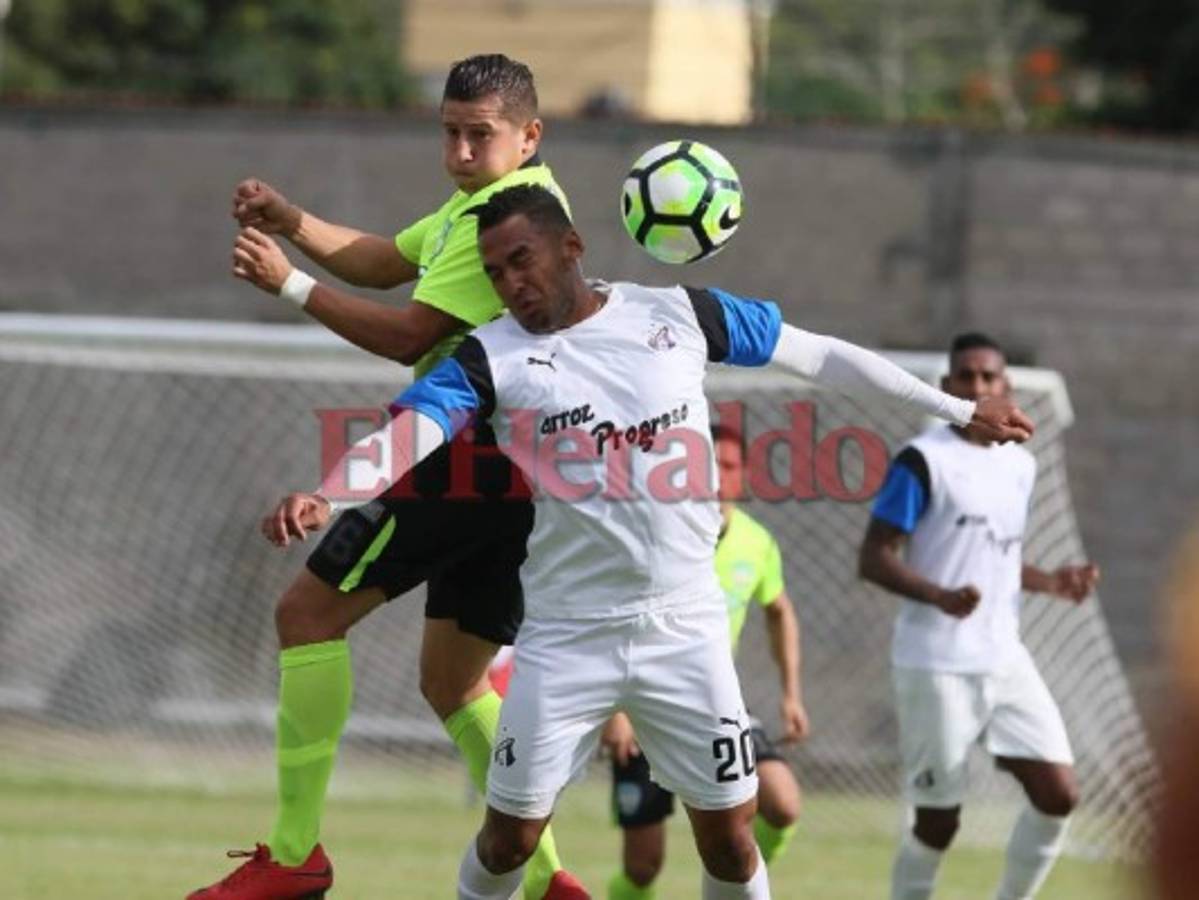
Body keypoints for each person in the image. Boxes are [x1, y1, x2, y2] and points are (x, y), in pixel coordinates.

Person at [260, 185, 1035, 898]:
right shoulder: (489, 355)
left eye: (521, 260)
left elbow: (820, 354)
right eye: (495, 273)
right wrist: (330, 493)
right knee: (507, 844)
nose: (510, 284)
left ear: (571, 248)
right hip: (567, 637)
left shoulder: (678, 314)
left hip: (684, 631)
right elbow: (410, 432)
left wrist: (957, 412)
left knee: (731, 845)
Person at [189, 55, 583, 900]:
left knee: (306, 613)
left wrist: (290, 283)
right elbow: (383, 259)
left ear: (529, 136)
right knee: (453, 682)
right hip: (506, 469)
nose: (462, 151)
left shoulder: (516, 220)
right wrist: (293, 219)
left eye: (481, 135)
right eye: (450, 132)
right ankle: (551, 886)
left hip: (465, 460)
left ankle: (295, 857)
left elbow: (409, 336)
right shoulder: (483, 205)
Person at [857, 332, 1100, 900]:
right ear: (946, 389)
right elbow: (873, 558)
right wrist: (938, 595)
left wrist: (1051, 582)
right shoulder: (924, 461)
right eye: (966, 377)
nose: (978, 386)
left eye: (989, 377)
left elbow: (998, 557)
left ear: (1007, 387)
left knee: (1058, 794)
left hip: (1003, 656)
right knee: (939, 824)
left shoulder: (1020, 464)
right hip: (935, 665)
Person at [601, 424, 808, 899]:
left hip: (718, 705)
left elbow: (779, 610)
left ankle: (732, 882)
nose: (717, 477)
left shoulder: (757, 543)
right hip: (645, 705)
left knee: (783, 803)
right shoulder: (653, 532)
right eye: (707, 465)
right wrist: (617, 709)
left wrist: (791, 693)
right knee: (642, 869)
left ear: (746, 477)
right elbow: (613, 611)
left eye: (729, 467)